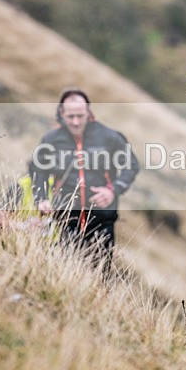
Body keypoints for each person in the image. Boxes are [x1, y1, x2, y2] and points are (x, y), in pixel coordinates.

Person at [29, 88, 139, 277]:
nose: (76, 122)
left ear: (89, 111)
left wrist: (113, 190)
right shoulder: (51, 140)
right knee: (64, 271)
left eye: (80, 116)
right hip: (65, 217)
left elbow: (132, 165)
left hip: (102, 218)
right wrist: (41, 199)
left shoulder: (110, 137)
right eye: (70, 116)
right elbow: (38, 170)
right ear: (61, 114)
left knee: (99, 274)